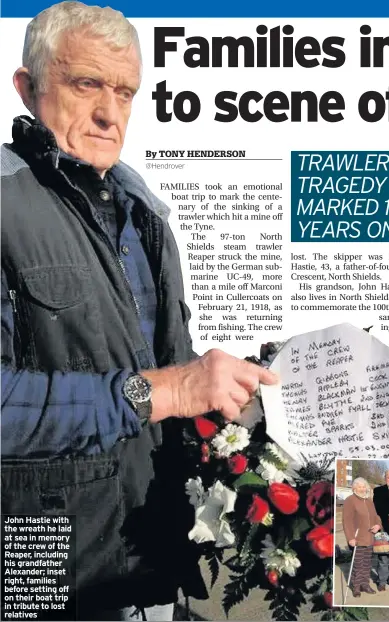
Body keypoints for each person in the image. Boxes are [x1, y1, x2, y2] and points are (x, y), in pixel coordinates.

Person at [1, 3, 277, 619]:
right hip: (49, 583)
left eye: (124, 91)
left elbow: (170, 370)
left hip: (154, 565)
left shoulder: (142, 214)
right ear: (27, 88)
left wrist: (268, 402)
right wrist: (165, 391)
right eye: (85, 84)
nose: (109, 111)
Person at [342, 478, 382, 598]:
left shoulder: (369, 500)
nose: (362, 489)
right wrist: (350, 538)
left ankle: (365, 584)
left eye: (364, 486)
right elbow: (346, 520)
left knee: (367, 564)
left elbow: (376, 516)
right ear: (354, 488)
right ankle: (356, 586)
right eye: (359, 487)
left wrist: (378, 525)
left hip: (369, 538)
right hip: (357, 538)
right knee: (358, 564)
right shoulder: (350, 500)